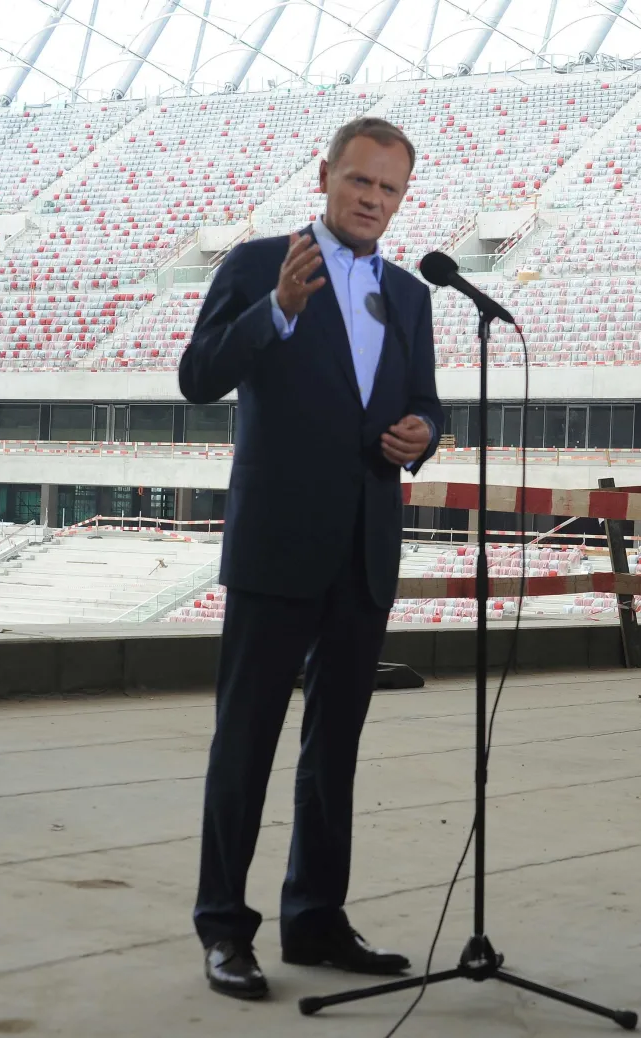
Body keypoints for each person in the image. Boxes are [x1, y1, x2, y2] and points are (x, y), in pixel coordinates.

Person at [178, 116, 442, 1000]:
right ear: (324, 175)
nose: (372, 199)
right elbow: (198, 376)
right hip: (278, 545)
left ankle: (317, 918)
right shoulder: (262, 264)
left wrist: (423, 431)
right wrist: (278, 312)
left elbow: (427, 403)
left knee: (335, 750)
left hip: (364, 548)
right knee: (246, 742)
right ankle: (224, 927)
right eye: (359, 181)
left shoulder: (409, 295)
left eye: (389, 189)